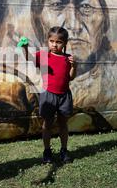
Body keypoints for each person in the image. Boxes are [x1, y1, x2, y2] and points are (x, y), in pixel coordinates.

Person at [30, 0, 115, 77]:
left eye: (86, 6)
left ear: (105, 21)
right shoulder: (28, 84)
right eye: (57, 5)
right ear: (38, 20)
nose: (74, 25)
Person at [20, 26, 76, 164]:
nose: (54, 44)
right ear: (48, 41)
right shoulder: (44, 56)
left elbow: (71, 77)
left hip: (64, 96)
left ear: (65, 43)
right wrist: (25, 48)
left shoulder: (68, 59)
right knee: (47, 124)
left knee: (63, 124)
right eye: (51, 41)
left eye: (58, 42)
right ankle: (47, 151)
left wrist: (75, 66)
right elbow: (30, 59)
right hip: (48, 95)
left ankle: (64, 150)